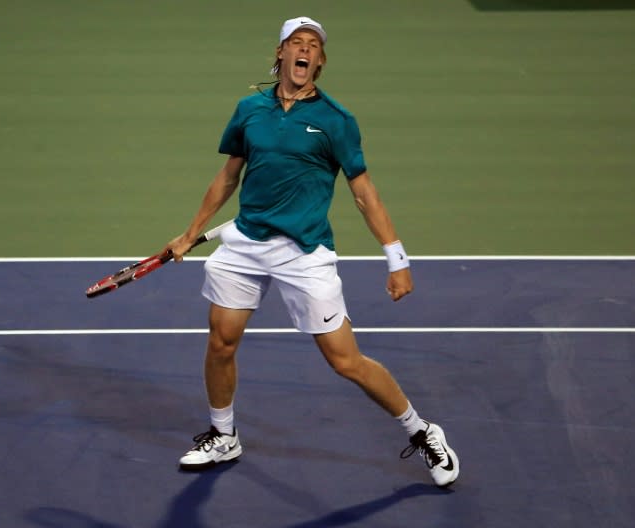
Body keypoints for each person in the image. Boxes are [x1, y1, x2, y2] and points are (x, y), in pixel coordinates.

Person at [165, 16, 459, 487]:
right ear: (280, 54)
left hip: (304, 252)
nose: (304, 50)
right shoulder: (249, 110)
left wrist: (396, 258)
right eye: (295, 43)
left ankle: (422, 431)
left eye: (313, 46)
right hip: (244, 242)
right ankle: (224, 435)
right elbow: (227, 177)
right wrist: (188, 233)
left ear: (319, 61)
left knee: (345, 361)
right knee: (220, 342)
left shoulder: (336, 121)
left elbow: (364, 193)